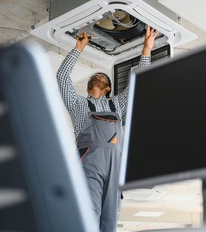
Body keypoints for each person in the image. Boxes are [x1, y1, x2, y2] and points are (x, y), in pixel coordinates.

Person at [56, 25, 158, 232]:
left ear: (108, 88)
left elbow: (139, 84)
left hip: (114, 166)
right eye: (97, 76)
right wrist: (78, 48)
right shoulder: (78, 104)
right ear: (88, 86)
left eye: (103, 77)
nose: (99, 76)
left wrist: (146, 50)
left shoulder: (116, 105)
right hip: (88, 164)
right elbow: (62, 78)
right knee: (89, 215)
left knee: (110, 219)